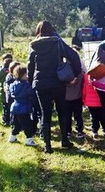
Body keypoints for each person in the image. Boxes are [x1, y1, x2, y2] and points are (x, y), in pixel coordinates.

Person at [27, 20, 81, 153]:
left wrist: (31, 83)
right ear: (52, 30)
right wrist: (74, 74)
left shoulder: (33, 45)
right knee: (62, 111)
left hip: (41, 84)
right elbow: (74, 56)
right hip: (58, 82)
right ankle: (65, 140)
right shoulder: (57, 43)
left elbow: (30, 67)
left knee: (45, 114)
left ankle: (47, 145)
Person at [8, 65, 38, 146]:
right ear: (22, 75)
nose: (27, 76)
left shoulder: (13, 85)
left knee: (16, 124)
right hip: (24, 108)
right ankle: (29, 139)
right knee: (27, 125)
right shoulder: (26, 85)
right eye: (26, 74)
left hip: (15, 107)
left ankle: (12, 137)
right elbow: (31, 93)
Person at [82, 73, 103, 139]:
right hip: (99, 100)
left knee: (93, 116)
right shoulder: (101, 74)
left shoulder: (86, 76)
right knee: (101, 115)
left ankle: (95, 130)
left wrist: (83, 98)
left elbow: (84, 88)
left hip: (90, 100)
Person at [0, 53, 13, 126]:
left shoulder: (2, 70)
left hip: (3, 93)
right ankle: (11, 120)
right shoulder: (13, 70)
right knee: (10, 107)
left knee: (5, 108)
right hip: (11, 92)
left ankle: (6, 120)